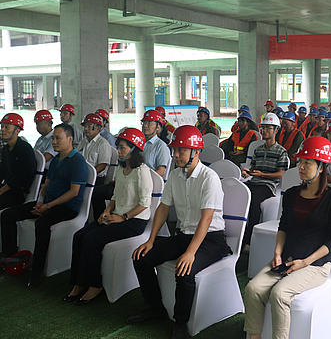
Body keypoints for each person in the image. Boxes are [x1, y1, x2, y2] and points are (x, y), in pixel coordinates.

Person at [127, 125, 231, 339]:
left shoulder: (209, 178)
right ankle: (155, 309)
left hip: (211, 239)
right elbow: (163, 208)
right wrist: (151, 240)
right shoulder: (175, 175)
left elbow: (207, 219)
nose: (175, 154)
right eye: (174, 150)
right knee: (141, 258)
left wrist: (190, 252)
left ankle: (181, 322)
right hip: (184, 235)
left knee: (185, 270)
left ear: (196, 151)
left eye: (181, 150)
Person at [244, 136, 331, 339]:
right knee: (252, 289)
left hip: (315, 265)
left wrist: (305, 262)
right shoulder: (291, 194)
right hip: (288, 258)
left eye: (307, 162)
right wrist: (277, 253)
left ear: (321, 167)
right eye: (300, 161)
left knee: (280, 294)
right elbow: (283, 227)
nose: (301, 166)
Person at [65, 128, 151, 305]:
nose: (118, 151)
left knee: (92, 240)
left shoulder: (142, 171)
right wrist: (107, 211)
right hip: (117, 215)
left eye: (122, 148)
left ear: (134, 149)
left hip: (134, 221)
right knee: (79, 236)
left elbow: (144, 203)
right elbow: (115, 196)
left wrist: (123, 217)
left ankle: (95, 285)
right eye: (118, 147)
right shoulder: (121, 168)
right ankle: (78, 283)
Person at [1, 123, 88, 288]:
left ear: (70, 139)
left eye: (58, 138)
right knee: (8, 215)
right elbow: (46, 185)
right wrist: (41, 201)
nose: (54, 142)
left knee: (42, 224)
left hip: (67, 207)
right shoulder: (55, 160)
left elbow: (74, 192)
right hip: (48, 203)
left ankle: (37, 271)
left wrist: (48, 206)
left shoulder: (77, 161)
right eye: (53, 138)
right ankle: (10, 258)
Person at [241, 113, 289, 247]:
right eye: (263, 128)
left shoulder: (281, 152)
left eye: (268, 128)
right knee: (239, 194)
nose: (264, 131)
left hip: (267, 186)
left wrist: (262, 174)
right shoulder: (258, 150)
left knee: (254, 200)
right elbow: (253, 169)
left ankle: (248, 240)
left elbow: (280, 174)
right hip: (253, 182)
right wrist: (247, 173)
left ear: (276, 130)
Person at [0, 113, 36, 211]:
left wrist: (2, 190)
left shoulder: (25, 148)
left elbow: (22, 176)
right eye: (2, 126)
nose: (2, 130)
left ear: (17, 130)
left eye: (6, 127)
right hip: (7, 188)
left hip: (18, 192)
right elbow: (2, 171)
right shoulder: (5, 149)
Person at [77, 113, 112, 186]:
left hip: (96, 179)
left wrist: (89, 174)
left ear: (98, 128)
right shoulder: (82, 143)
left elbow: (102, 165)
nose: (86, 129)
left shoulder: (103, 144)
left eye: (89, 126)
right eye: (85, 126)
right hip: (81, 177)